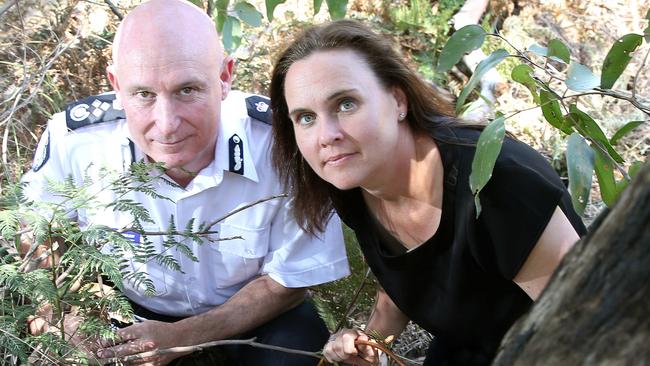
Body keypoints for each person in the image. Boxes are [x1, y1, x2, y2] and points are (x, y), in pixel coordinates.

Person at [21, 1, 349, 365]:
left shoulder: (280, 142)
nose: (166, 124)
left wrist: (183, 336)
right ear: (116, 85)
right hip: (127, 311)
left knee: (299, 349)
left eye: (187, 90)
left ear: (224, 77)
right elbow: (40, 236)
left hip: (254, 316)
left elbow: (287, 281)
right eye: (143, 94)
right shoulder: (77, 142)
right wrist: (66, 313)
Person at [269, 20, 587, 365]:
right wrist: (370, 343)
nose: (325, 135)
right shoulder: (354, 184)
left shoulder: (496, 182)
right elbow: (405, 276)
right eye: (305, 118)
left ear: (397, 101)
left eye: (346, 104)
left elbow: (584, 318)